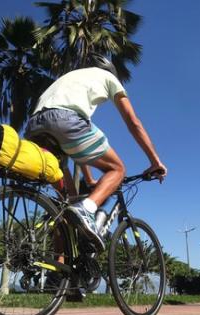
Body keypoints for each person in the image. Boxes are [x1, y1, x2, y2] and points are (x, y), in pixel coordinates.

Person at [25, 53, 167, 252]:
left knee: (66, 204)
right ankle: (88, 209)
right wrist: (155, 161)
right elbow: (133, 122)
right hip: (66, 120)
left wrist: (89, 179)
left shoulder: (69, 78)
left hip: (34, 126)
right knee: (117, 168)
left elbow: (78, 150)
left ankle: (59, 271)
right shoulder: (109, 78)